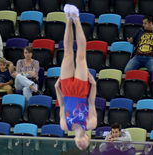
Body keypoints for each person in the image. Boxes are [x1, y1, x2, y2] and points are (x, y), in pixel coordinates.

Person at [55, 4, 97, 150]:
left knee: (67, 53)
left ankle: (68, 19)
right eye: (84, 146)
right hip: (81, 91)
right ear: (87, 139)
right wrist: (94, 85)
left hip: (66, 92)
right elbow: (91, 103)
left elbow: (62, 105)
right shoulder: (91, 124)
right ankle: (77, 19)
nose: (80, 145)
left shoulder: (64, 126)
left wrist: (56, 88)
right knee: (80, 56)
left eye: (78, 146)